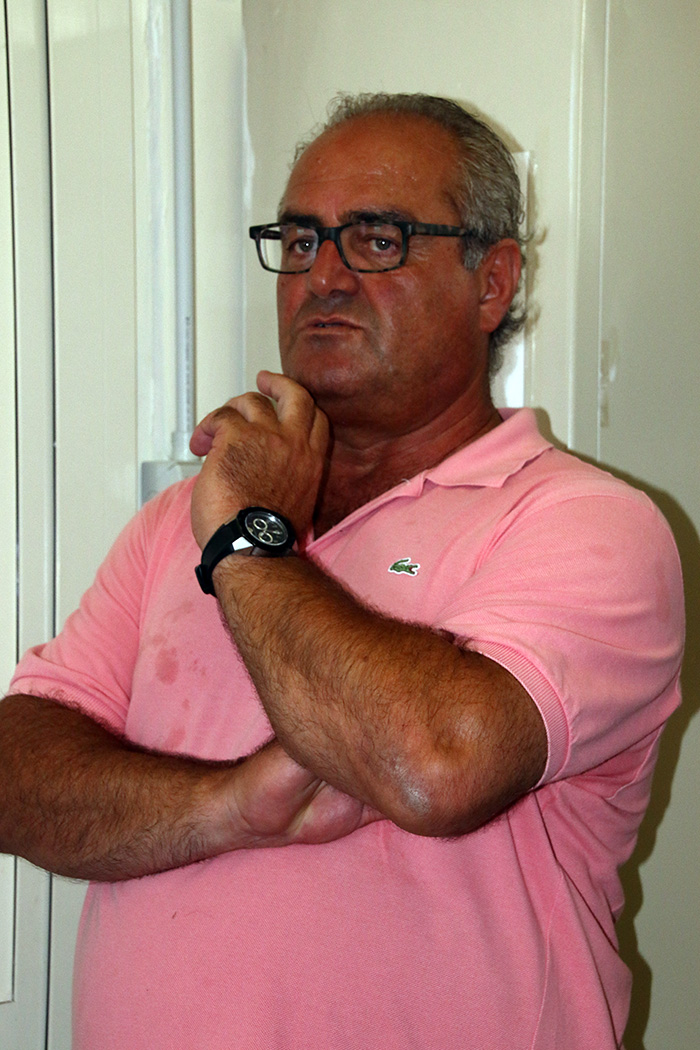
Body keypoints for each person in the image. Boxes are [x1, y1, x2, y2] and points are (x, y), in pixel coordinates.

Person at [0, 93, 684, 1049]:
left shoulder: (587, 523)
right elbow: (16, 770)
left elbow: (432, 767)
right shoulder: (179, 521)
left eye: (377, 240)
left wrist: (249, 539)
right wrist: (227, 808)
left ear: (492, 282)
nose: (322, 275)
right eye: (300, 240)